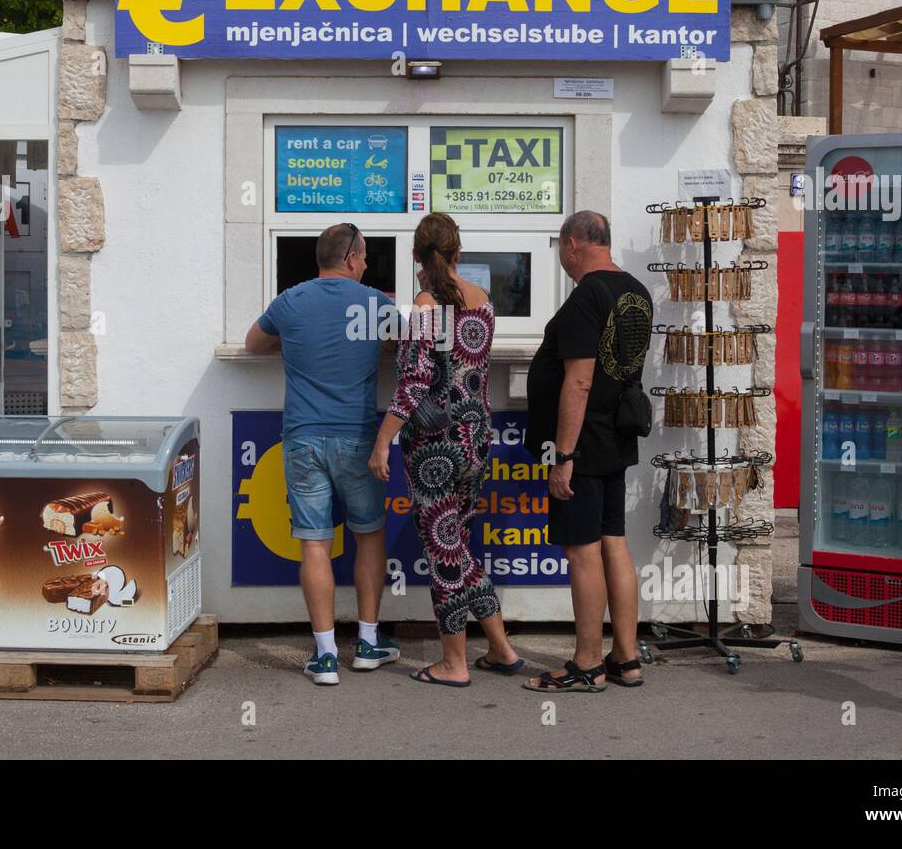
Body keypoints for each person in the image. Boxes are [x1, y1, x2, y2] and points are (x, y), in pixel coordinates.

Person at [370, 212, 521, 687]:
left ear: (416, 255)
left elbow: (415, 381)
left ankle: (454, 664)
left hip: (436, 447)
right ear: (459, 253)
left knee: (444, 551)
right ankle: (501, 649)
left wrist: (382, 441)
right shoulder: (484, 300)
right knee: (459, 544)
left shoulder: (427, 303)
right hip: (476, 438)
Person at [245, 223, 400, 685]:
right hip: (359, 439)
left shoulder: (290, 300)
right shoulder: (376, 304)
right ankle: (369, 643)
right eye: (367, 256)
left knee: (314, 542)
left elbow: (254, 343)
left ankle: (326, 654)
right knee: (368, 535)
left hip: (304, 437)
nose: (368, 264)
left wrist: (293, 339)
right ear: (352, 258)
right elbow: (406, 347)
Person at [523, 211, 652, 692]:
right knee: (614, 543)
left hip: (585, 444)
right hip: (617, 436)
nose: (560, 256)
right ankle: (626, 657)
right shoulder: (634, 290)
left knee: (582, 551)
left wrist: (564, 456)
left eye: (560, 247)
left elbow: (578, 382)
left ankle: (587, 662)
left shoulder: (586, 297)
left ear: (573, 243)